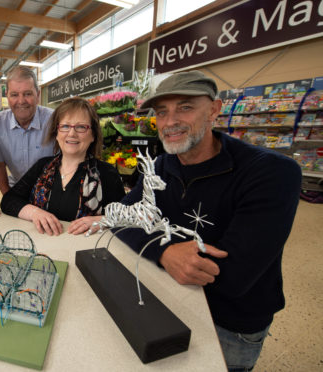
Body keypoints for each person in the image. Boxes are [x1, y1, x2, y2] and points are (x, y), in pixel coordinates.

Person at [113, 71, 301, 371]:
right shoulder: (161, 165)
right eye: (162, 112)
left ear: (214, 109)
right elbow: (120, 217)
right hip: (167, 300)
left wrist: (156, 244)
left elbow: (232, 276)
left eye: (185, 107)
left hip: (229, 324)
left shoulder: (271, 172)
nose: (170, 121)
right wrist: (165, 252)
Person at [0, 97, 125, 236]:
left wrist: (102, 220)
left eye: (81, 127)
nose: (72, 133)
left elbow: (127, 216)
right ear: (57, 133)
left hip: (84, 252)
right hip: (43, 249)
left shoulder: (107, 174)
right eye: (65, 126)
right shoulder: (42, 166)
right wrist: (34, 212)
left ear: (93, 135)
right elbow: (8, 200)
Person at [0, 66, 55, 194]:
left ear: (38, 94)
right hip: (17, 186)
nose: (21, 101)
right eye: (14, 95)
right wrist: (8, 197)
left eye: (27, 94)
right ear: (7, 96)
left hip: (52, 189)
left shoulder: (54, 120)